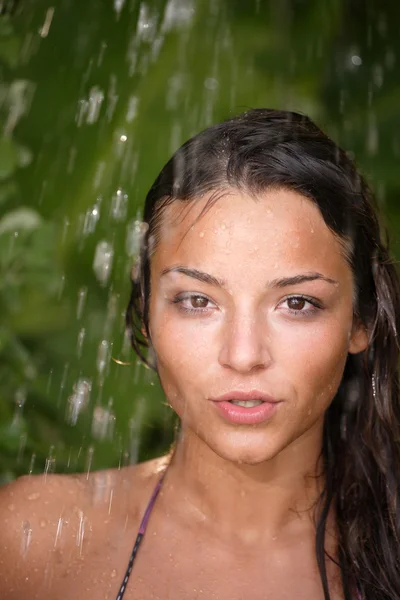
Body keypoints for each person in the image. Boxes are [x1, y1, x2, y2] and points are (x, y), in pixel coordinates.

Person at [1, 108, 399, 600]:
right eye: (198, 301)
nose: (244, 354)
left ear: (361, 319)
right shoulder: (33, 539)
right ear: (147, 308)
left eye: (296, 303)